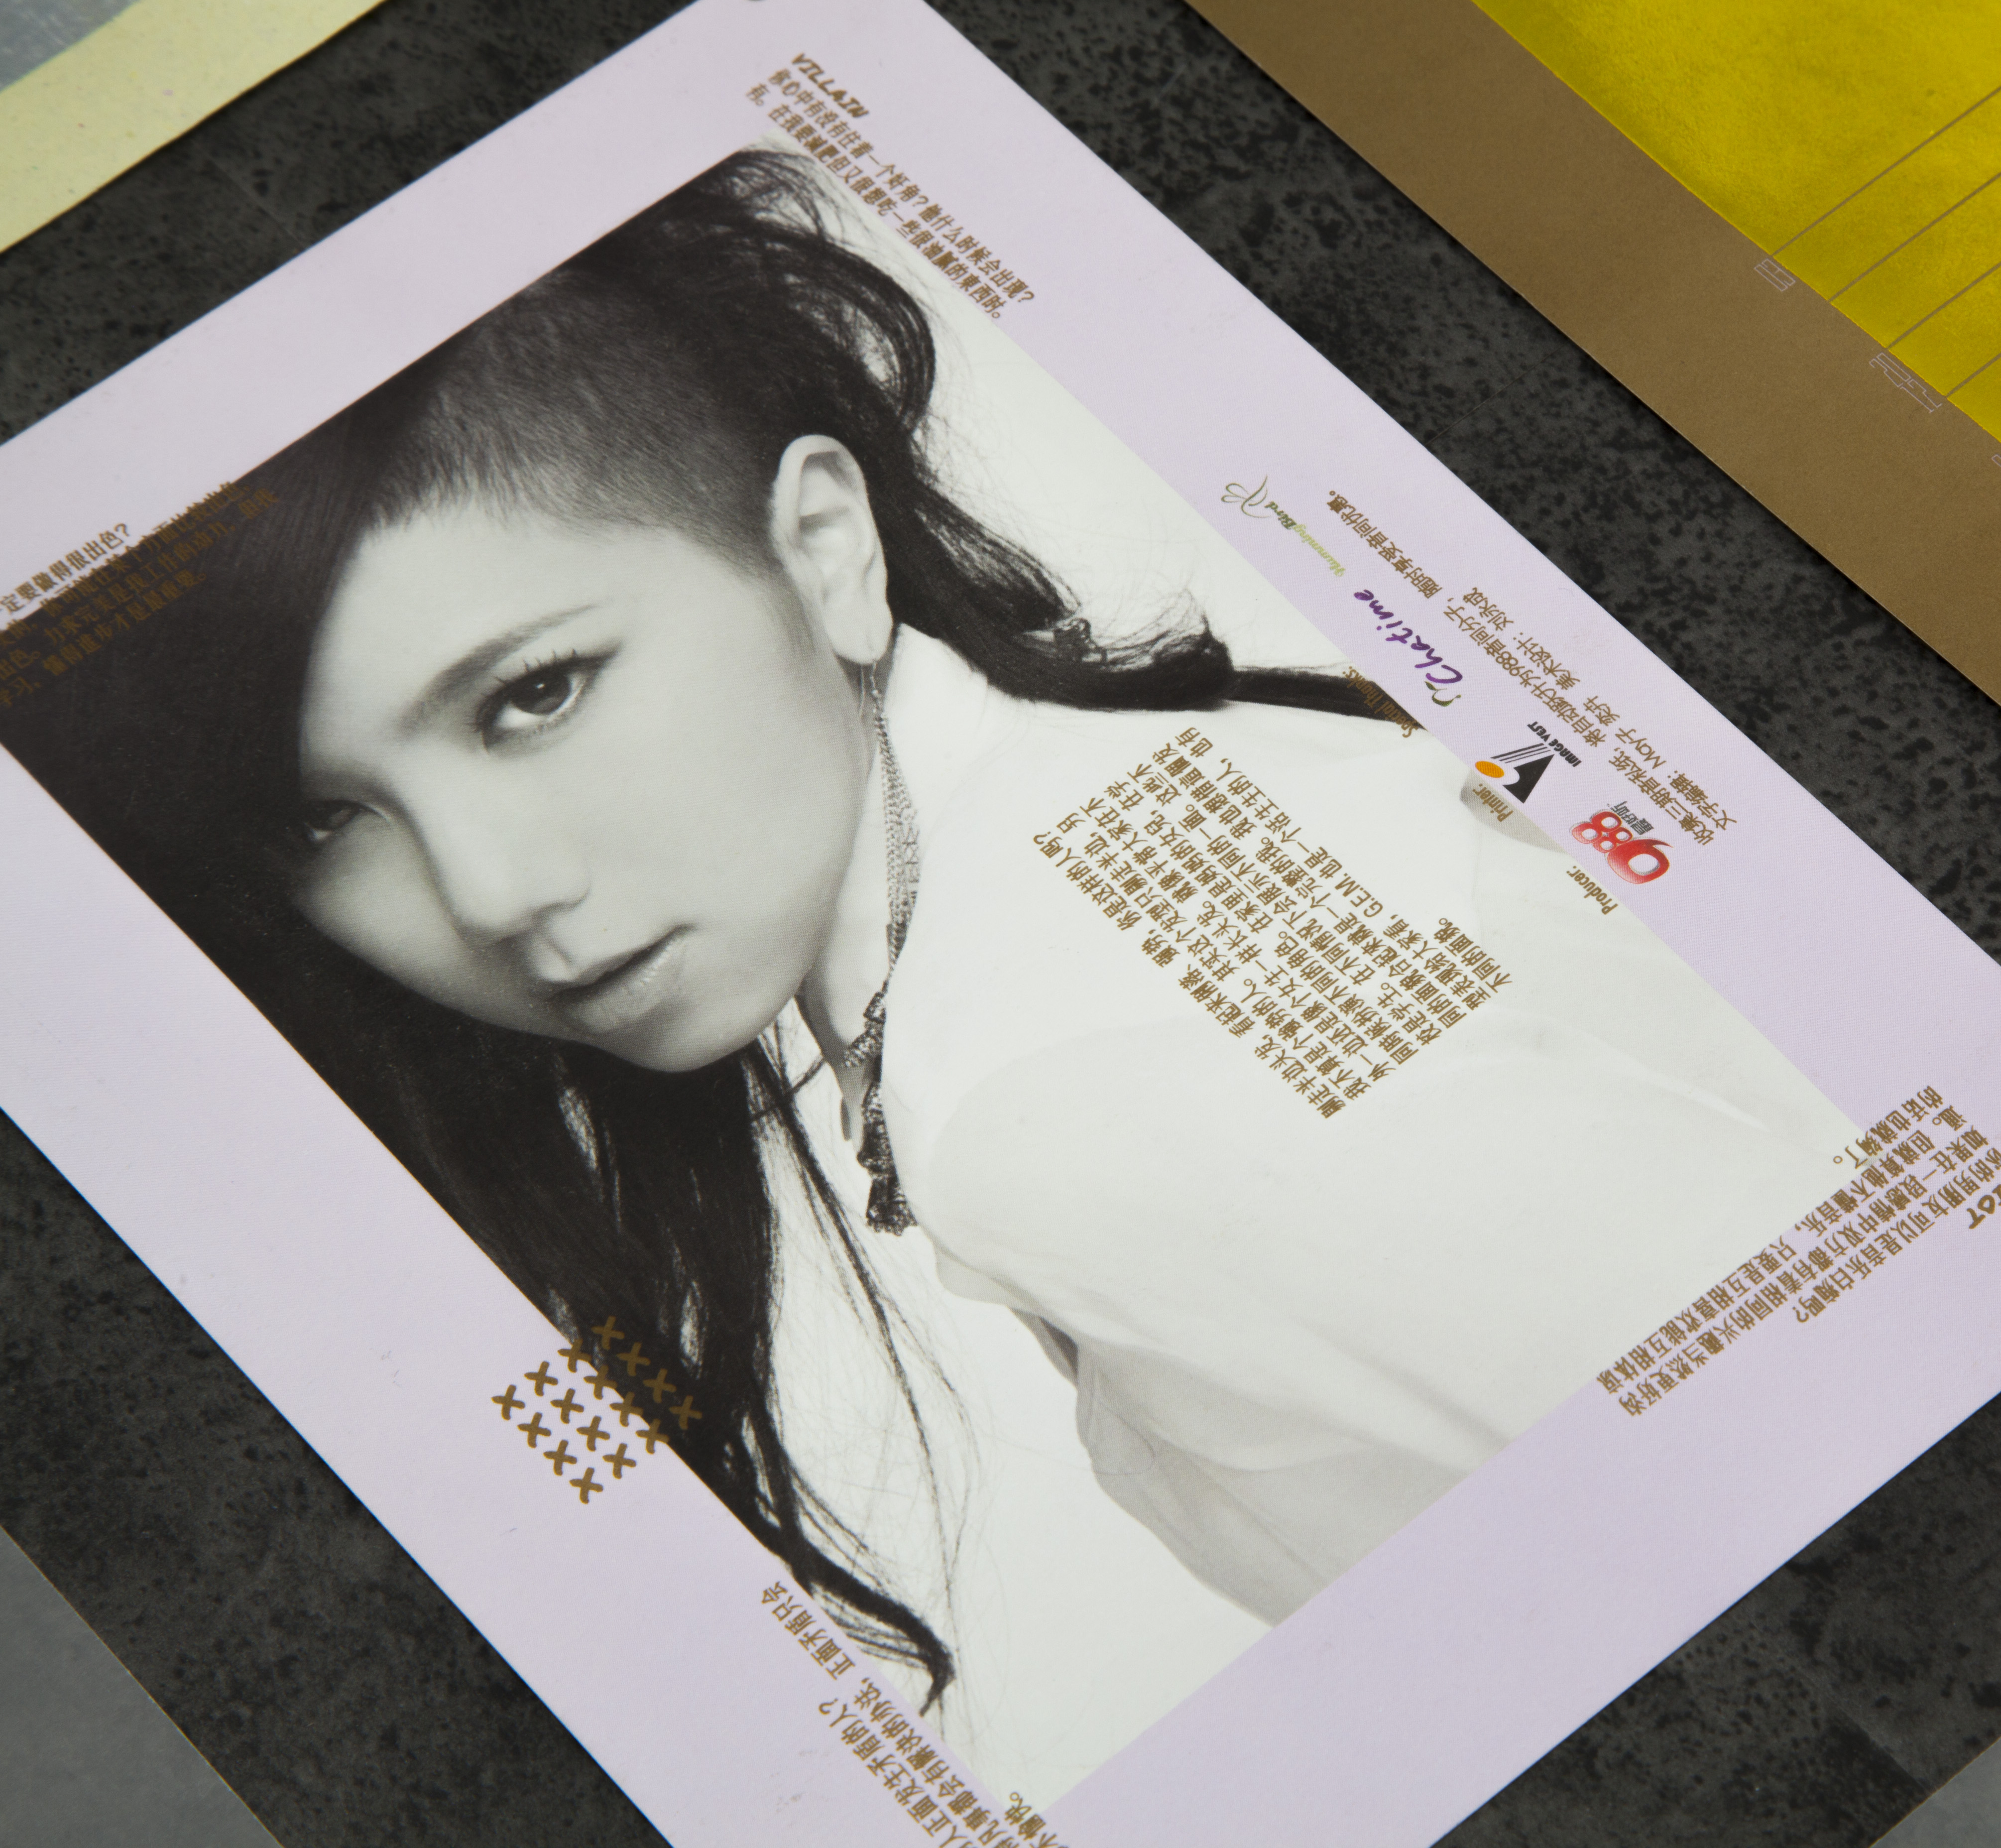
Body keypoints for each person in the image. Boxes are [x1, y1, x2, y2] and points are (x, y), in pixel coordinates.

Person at [2, 150, 1854, 1724]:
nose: (489, 895)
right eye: (326, 819)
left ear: (824, 548)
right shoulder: (1086, 848)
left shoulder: (1069, 1098)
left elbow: (1856, 1483)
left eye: (537, 693)